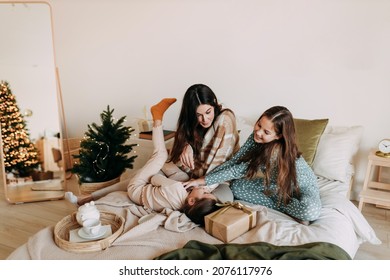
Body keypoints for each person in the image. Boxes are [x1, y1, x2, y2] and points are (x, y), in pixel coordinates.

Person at [66, 83, 239, 206]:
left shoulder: (225, 119)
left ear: (214, 102)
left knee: (215, 205)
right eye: (198, 115)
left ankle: (90, 198)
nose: (204, 119)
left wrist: (198, 186)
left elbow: (220, 164)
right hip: (187, 175)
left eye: (208, 112)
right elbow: (185, 138)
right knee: (144, 174)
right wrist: (188, 144)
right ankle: (90, 197)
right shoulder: (193, 124)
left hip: (213, 182)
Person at [184, 106, 322, 224]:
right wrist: (207, 177)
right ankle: (286, 207)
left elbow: (239, 170)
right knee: (237, 187)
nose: (259, 132)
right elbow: (235, 161)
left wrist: (203, 180)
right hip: (275, 186)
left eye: (266, 132)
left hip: (301, 188)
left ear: (278, 136)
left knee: (310, 211)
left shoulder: (275, 151)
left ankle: (289, 208)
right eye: (259, 125)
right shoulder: (255, 137)